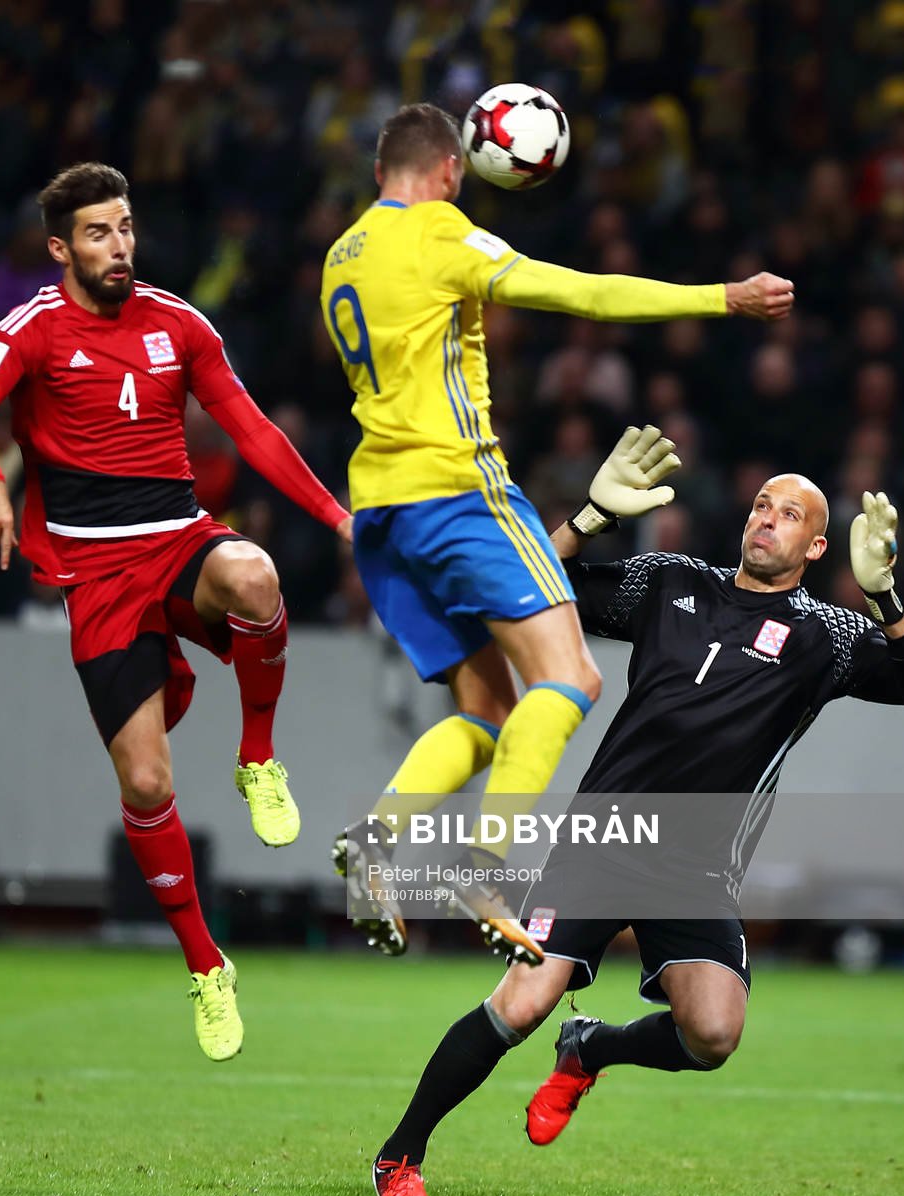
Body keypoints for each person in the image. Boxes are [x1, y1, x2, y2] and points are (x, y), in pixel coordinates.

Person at [369, 427, 904, 1196]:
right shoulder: (672, 582)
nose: (765, 519)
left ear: (815, 546)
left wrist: (882, 597)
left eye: (788, 514)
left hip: (696, 867)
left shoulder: (825, 635)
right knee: (521, 1004)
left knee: (711, 1034)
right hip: (604, 836)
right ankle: (399, 1157)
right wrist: (590, 517)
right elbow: (533, 586)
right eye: (759, 505)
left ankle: (593, 1046)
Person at [320, 103, 794, 965]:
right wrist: (718, 298)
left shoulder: (341, 254)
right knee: (570, 677)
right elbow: (581, 293)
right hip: (457, 490)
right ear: (452, 170)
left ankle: (377, 838)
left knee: (490, 708)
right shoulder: (441, 234)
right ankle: (485, 868)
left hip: (381, 516)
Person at [0, 162, 352, 1062]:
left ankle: (257, 756)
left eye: (125, 228)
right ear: (61, 248)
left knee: (253, 575)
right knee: (148, 786)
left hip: (177, 539)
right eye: (98, 233)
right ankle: (208, 967)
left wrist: (334, 516)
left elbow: (251, 430)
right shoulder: (34, 328)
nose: (119, 246)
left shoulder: (178, 322)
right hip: (96, 578)